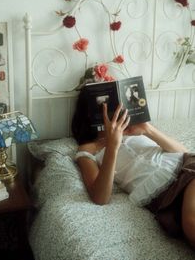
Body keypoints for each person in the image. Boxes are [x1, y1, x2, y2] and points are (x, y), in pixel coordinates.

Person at [71, 87, 195, 248]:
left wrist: (148, 130)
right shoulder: (88, 149)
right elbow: (100, 197)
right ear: (90, 111)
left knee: (191, 223)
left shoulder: (136, 129)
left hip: (188, 171)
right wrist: (112, 146)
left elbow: (184, 153)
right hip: (164, 196)